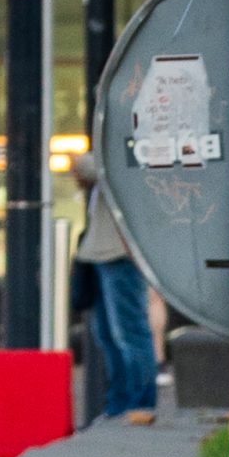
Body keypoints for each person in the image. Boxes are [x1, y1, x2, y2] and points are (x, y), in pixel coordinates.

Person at [72, 153, 158, 420]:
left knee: (128, 333)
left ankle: (140, 402)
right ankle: (119, 401)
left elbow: (92, 167)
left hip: (120, 256)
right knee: (107, 334)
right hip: (101, 255)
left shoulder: (123, 154)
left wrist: (77, 159)